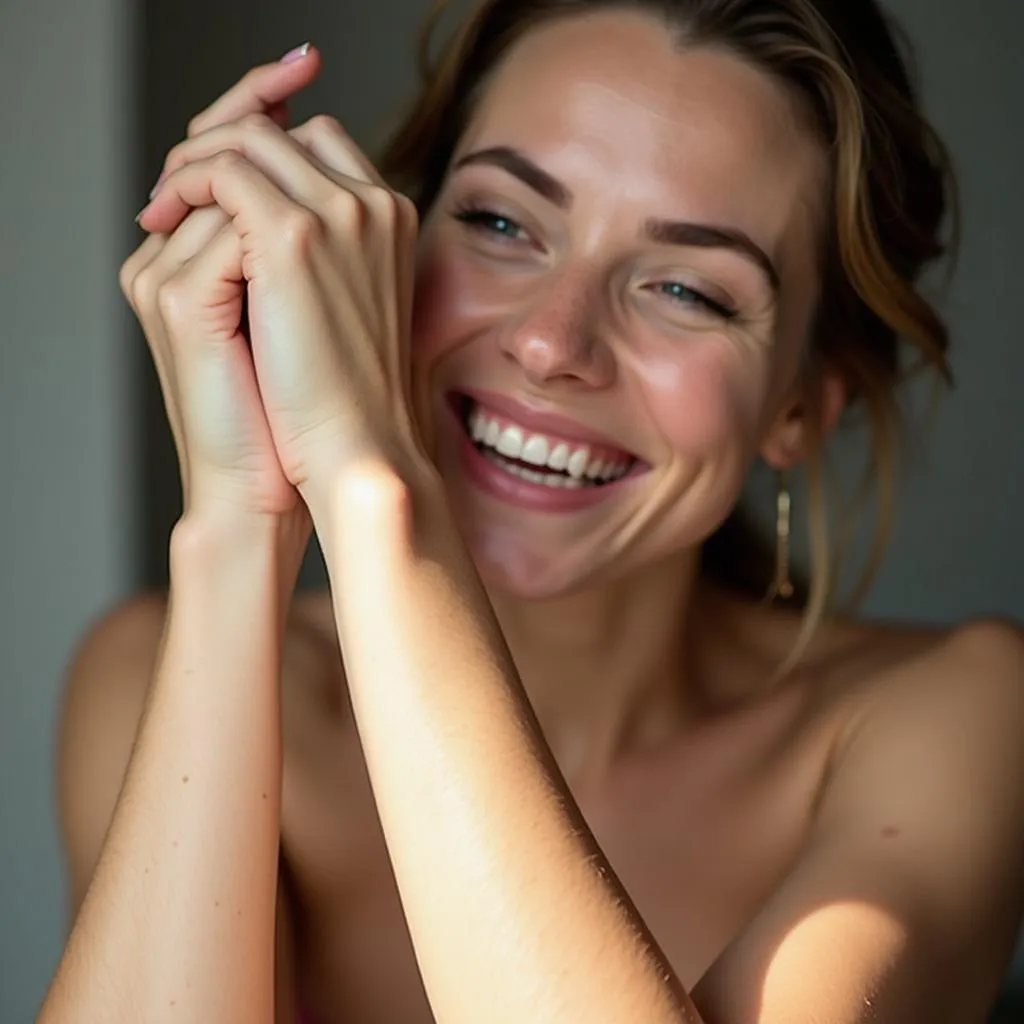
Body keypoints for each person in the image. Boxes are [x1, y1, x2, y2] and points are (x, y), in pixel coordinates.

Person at [42, 1, 1024, 1021]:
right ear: (391, 253)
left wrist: (371, 491)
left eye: (688, 289)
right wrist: (241, 524)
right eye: (501, 222)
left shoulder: (948, 719)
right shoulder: (159, 665)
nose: (554, 343)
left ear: (797, 407)